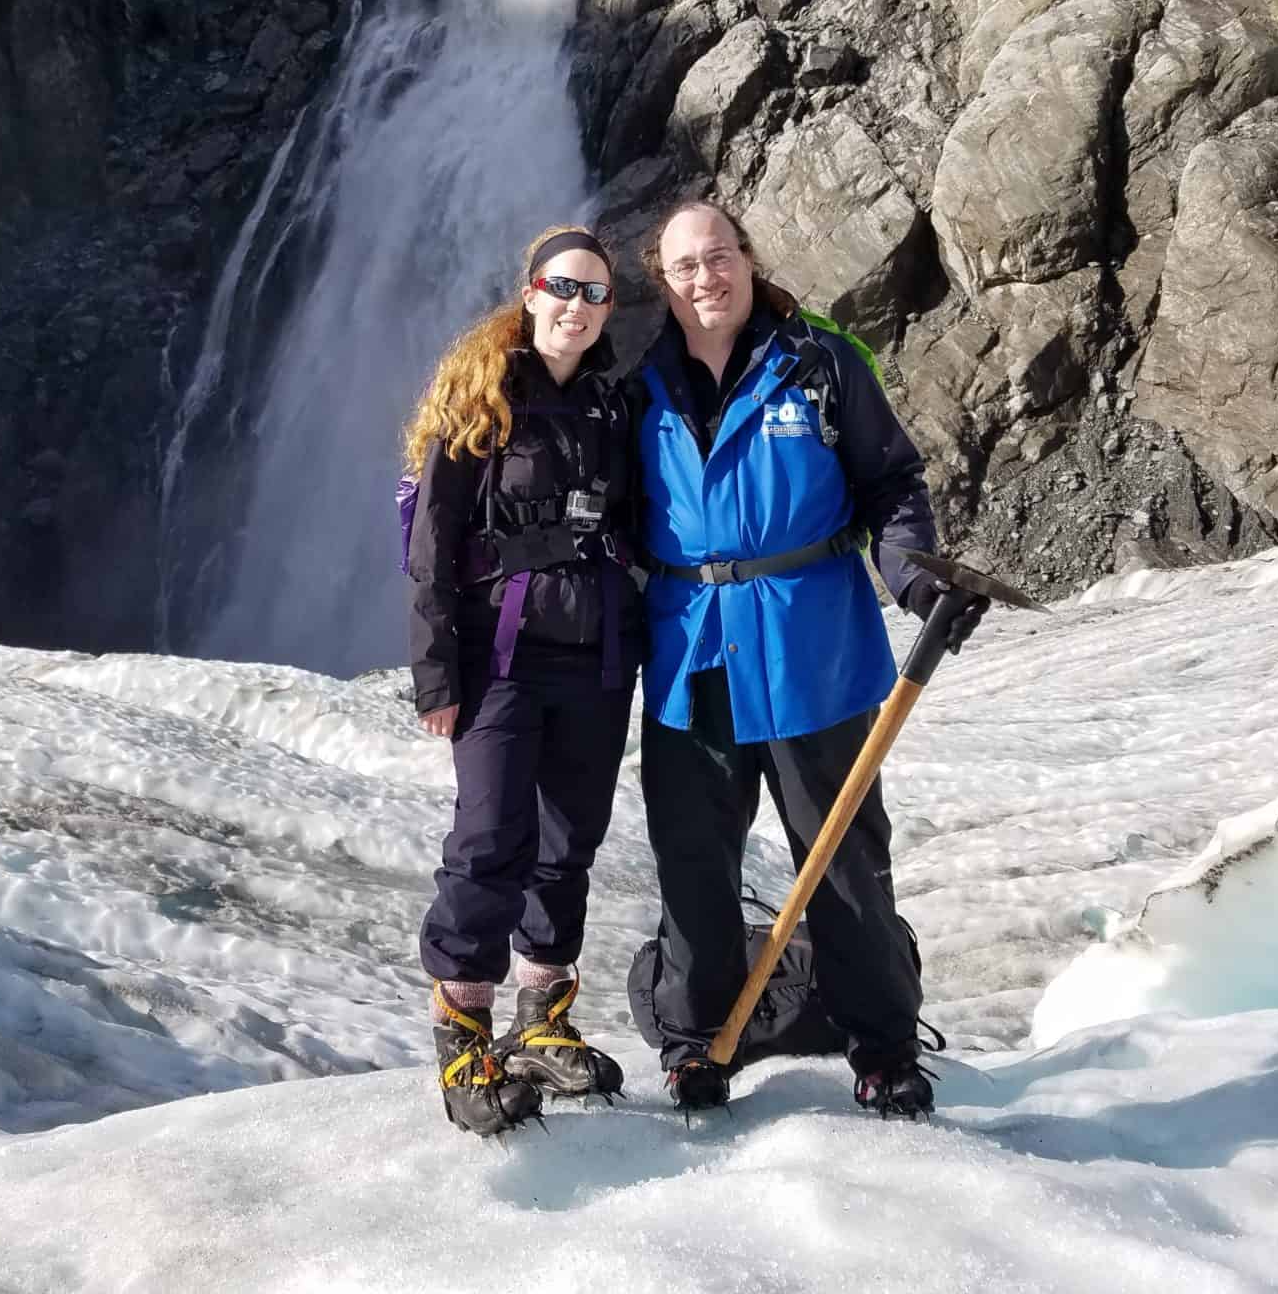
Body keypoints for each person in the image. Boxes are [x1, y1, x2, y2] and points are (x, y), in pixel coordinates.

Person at [629, 199, 972, 1119]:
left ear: (749, 258)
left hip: (811, 649)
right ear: (663, 282)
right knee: (693, 858)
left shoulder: (821, 362)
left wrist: (915, 579)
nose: (707, 277)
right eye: (686, 266)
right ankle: (697, 1045)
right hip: (694, 654)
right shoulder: (637, 385)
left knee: (843, 857)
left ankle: (884, 1050)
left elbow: (890, 484)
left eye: (720, 256)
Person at [405, 224, 643, 1136]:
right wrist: (437, 675)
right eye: (563, 287)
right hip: (499, 661)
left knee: (567, 843)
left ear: (609, 307)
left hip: (596, 661)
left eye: (595, 292)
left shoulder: (615, 408)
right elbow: (432, 544)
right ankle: (463, 1041)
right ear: (531, 292)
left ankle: (541, 1021)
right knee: (489, 839)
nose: (578, 306)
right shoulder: (482, 399)